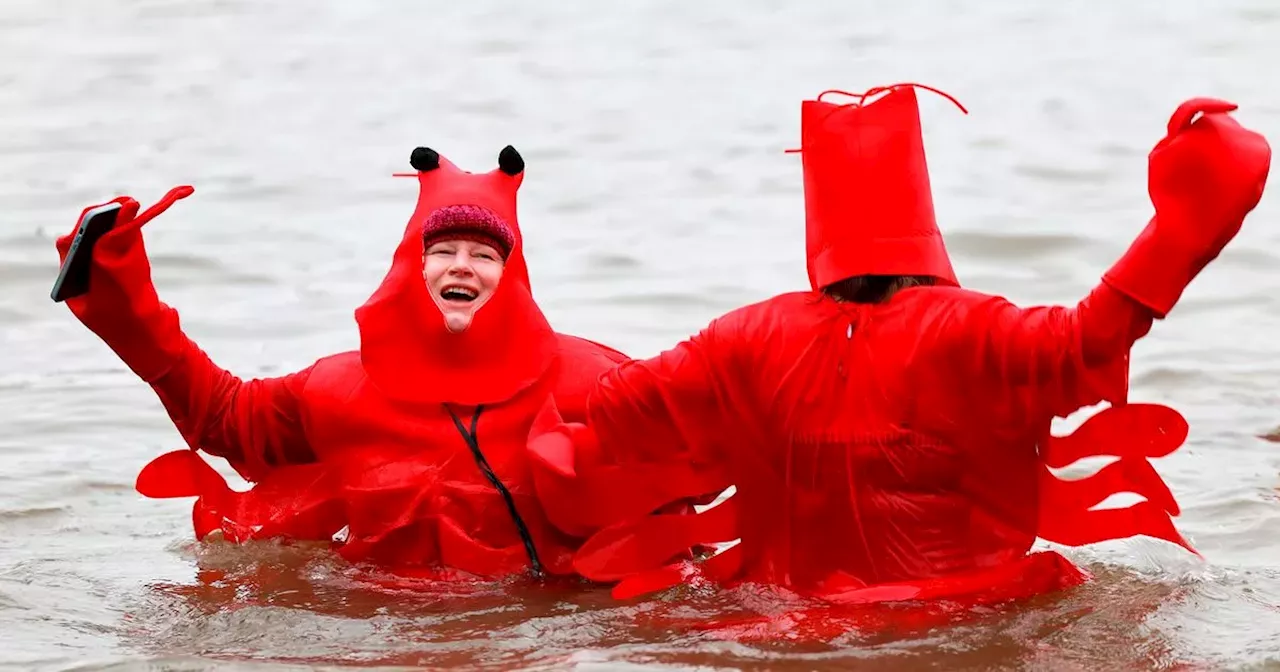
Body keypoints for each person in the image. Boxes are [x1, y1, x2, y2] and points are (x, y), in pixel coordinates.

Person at [526, 85, 1272, 614]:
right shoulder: (976, 328)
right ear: (924, 217)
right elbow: (1094, 336)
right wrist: (1184, 228)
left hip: (794, 623)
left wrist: (478, 339)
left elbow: (613, 404)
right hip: (972, 614)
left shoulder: (740, 339)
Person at [56, 145, 630, 579]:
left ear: (512, 276)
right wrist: (120, 297)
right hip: (373, 630)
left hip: (534, 638)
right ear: (413, 268)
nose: (462, 265)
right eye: (443, 252)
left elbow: (691, 426)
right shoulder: (338, 388)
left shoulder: (592, 380)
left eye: (484, 254)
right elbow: (221, 415)